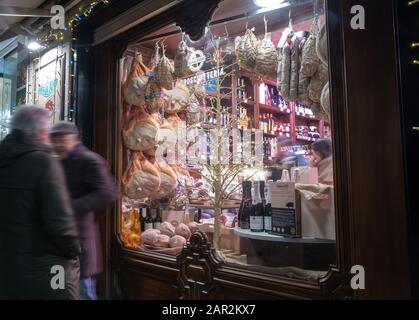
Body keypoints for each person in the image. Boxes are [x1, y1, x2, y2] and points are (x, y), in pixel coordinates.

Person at [0, 106, 81, 300]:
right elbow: (60, 221)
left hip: (6, 266)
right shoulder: (44, 162)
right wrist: (74, 250)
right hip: (46, 268)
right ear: (42, 133)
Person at [50, 121, 117, 300]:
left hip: (81, 239)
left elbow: (108, 192)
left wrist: (69, 208)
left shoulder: (89, 160)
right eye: (54, 139)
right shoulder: (58, 161)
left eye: (61, 139)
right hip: (61, 241)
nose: (57, 144)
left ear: (74, 138)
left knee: (84, 291)